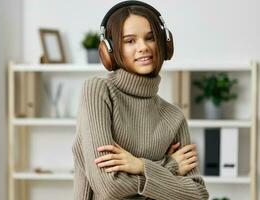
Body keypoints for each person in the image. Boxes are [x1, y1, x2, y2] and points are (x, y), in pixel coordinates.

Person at [72, 1, 209, 199]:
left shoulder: (174, 117)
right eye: (130, 41)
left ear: (163, 43)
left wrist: (139, 165)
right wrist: (168, 166)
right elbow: (108, 186)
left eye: (150, 38)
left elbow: (197, 194)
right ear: (110, 50)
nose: (143, 47)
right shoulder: (98, 91)